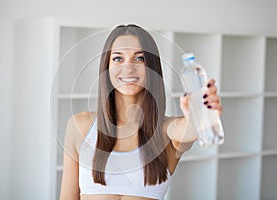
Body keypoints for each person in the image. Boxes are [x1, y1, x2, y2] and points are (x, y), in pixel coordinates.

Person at [59, 24, 222, 200]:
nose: (128, 68)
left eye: (139, 59)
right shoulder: (79, 126)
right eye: (118, 59)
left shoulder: (166, 131)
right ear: (106, 67)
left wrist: (201, 112)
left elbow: (191, 128)